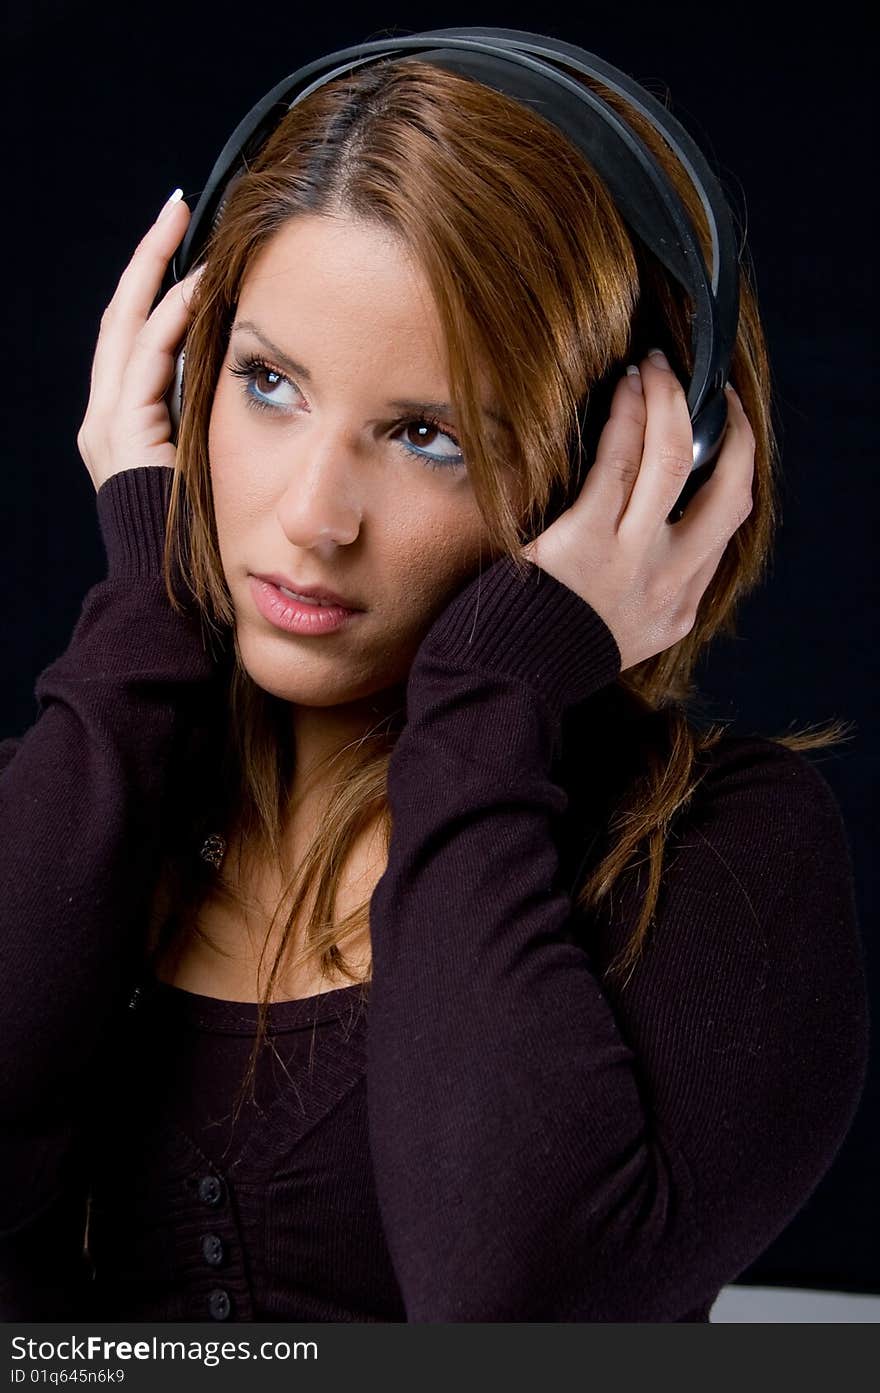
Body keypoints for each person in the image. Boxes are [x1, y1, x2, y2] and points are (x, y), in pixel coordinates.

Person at [0, 55, 869, 1324]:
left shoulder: (721, 859)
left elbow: (510, 1312)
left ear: (620, 481)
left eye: (431, 435)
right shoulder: (78, 792)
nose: (310, 519)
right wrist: (147, 607)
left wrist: (489, 698)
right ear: (179, 381)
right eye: (268, 384)